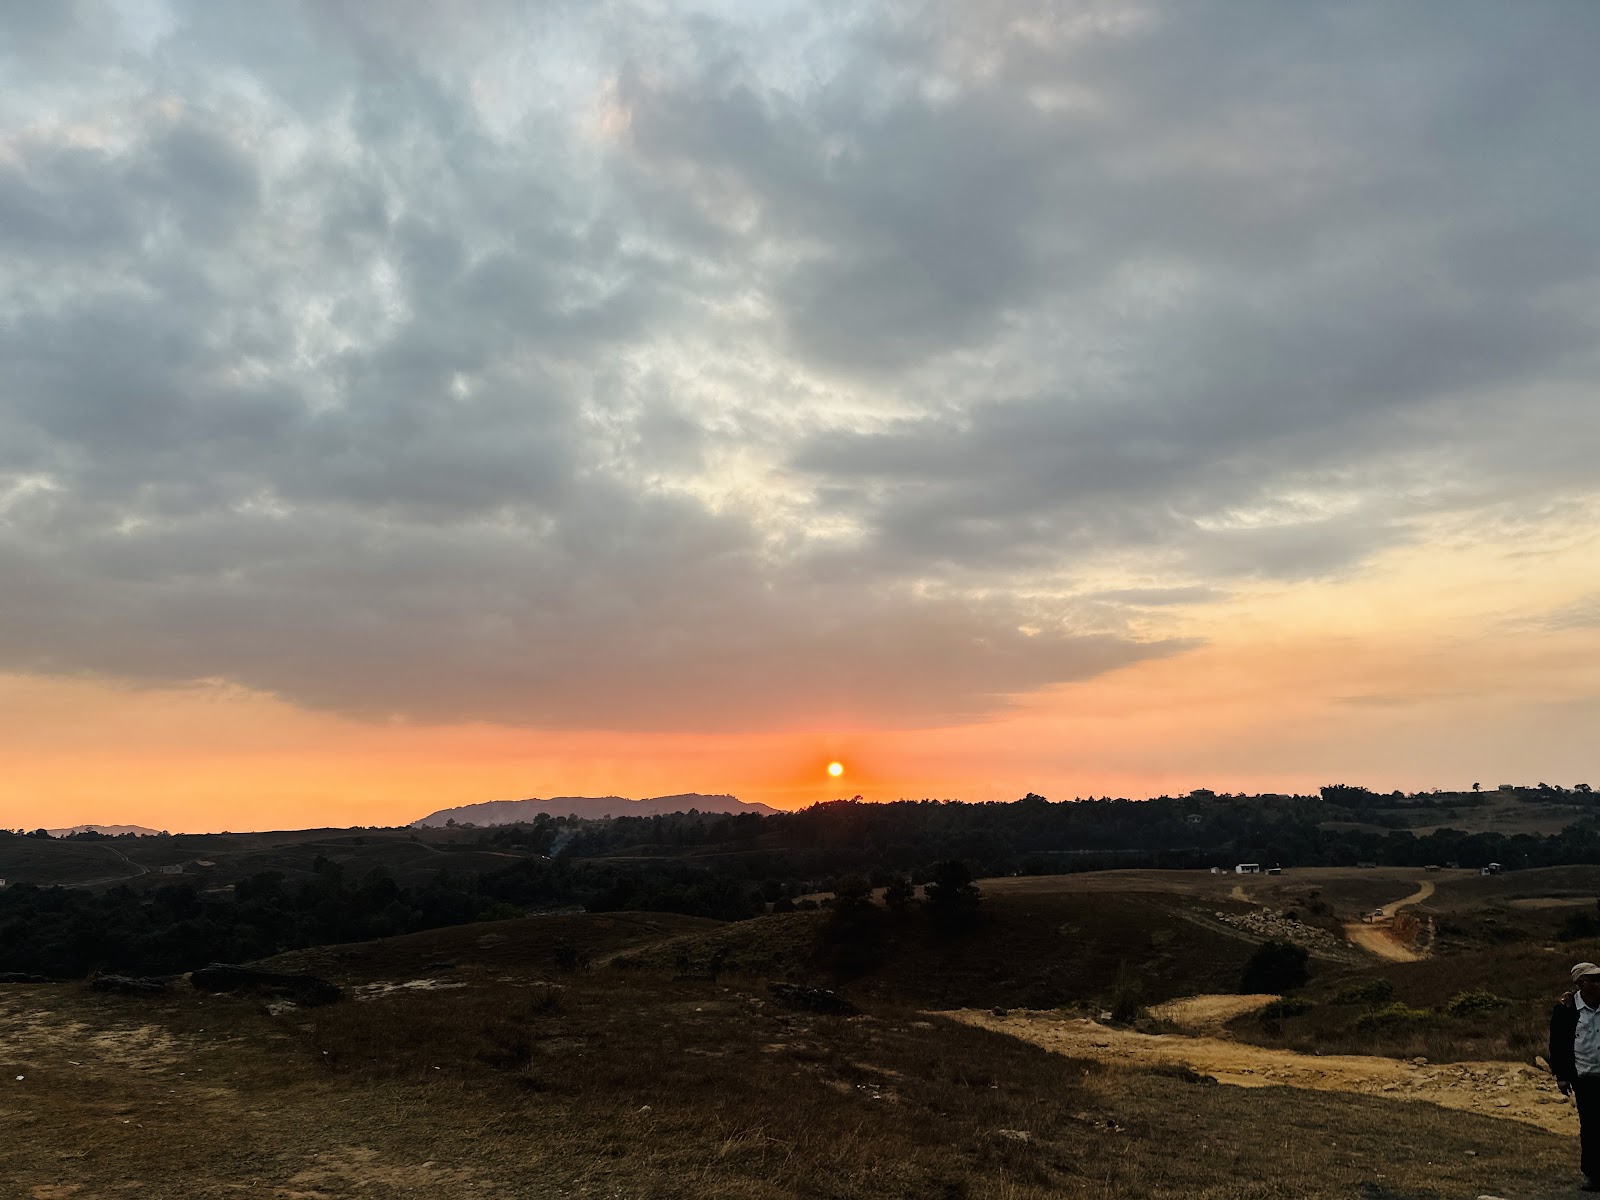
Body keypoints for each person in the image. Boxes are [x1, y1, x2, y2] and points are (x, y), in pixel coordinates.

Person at [1550, 962, 1600, 1191]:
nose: (1599, 983)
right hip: (1584, 1075)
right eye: (1595, 979)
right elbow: (1558, 1044)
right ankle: (1592, 1174)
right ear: (1582, 983)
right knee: (1590, 1126)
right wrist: (1562, 1075)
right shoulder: (1566, 1009)